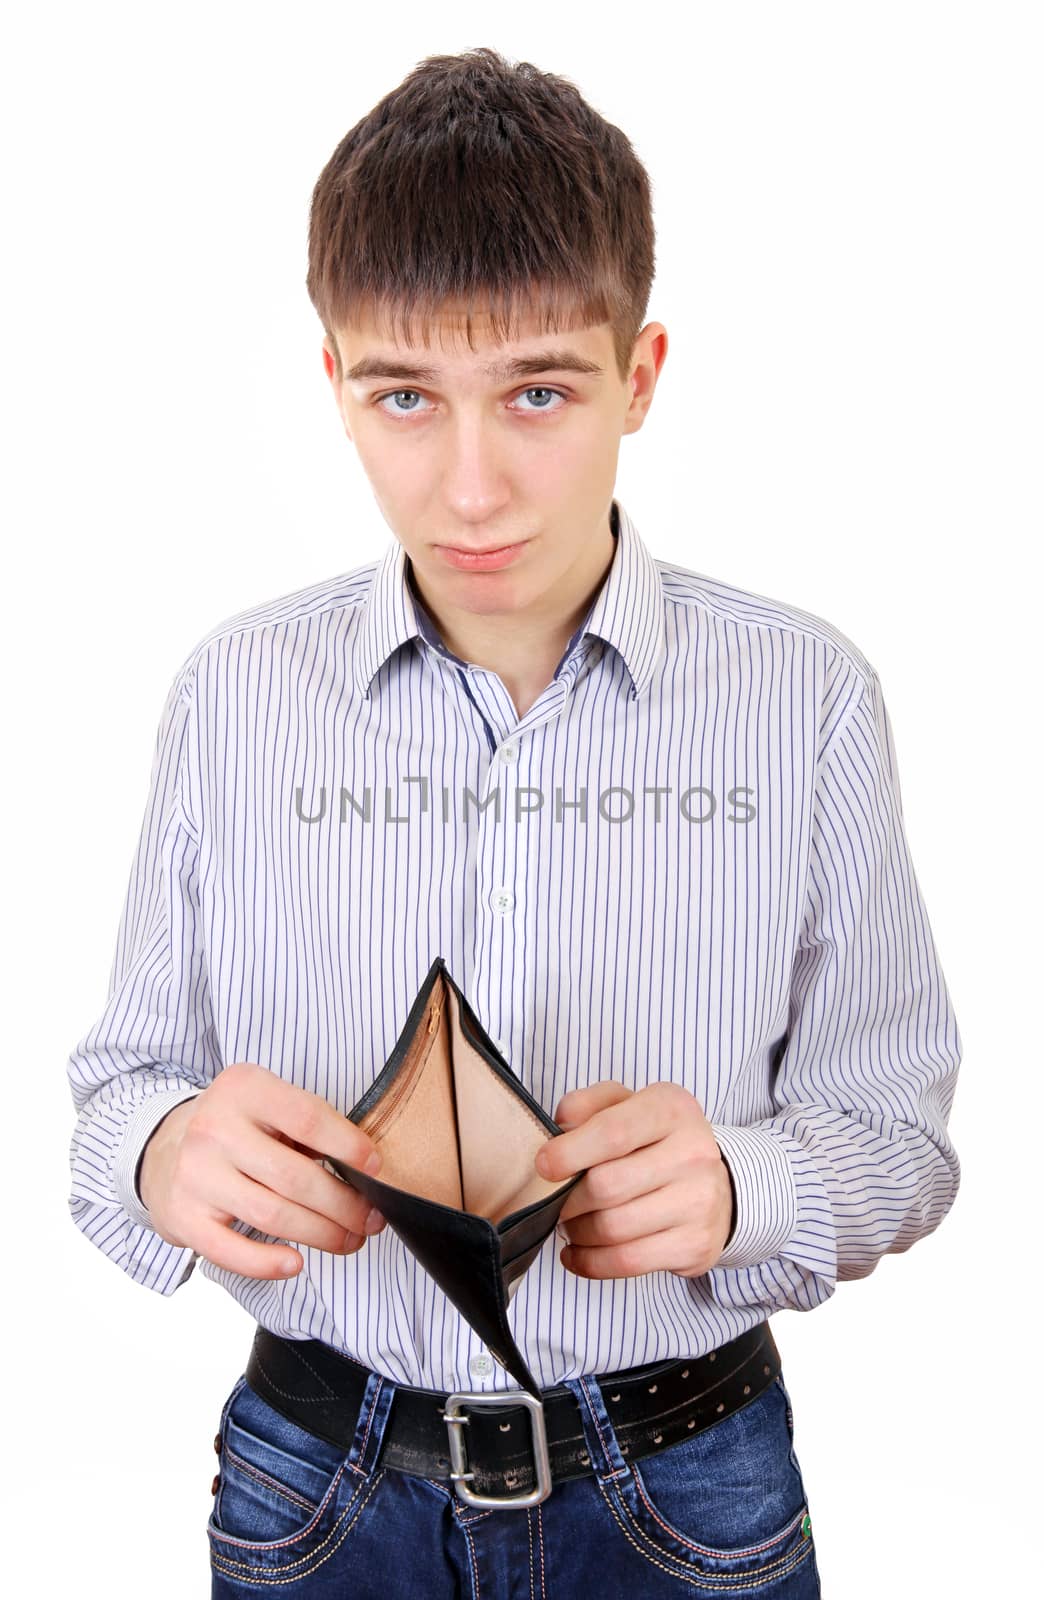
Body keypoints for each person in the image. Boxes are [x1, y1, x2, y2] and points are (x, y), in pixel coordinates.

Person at [65, 45, 962, 1598]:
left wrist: (749, 1184)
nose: (470, 487)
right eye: (404, 395)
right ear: (332, 384)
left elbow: (904, 1142)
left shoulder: (806, 696)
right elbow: (115, 1095)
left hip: (688, 1482)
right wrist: (160, 1156)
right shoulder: (231, 695)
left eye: (537, 391)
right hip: (314, 1483)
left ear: (643, 374)